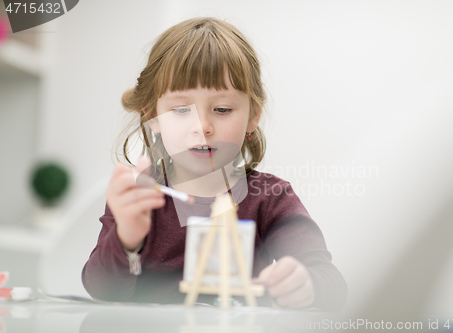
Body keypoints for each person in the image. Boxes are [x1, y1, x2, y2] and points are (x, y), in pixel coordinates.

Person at [82, 17, 347, 311]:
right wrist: (126, 240)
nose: (202, 126)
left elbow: (331, 284)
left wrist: (306, 285)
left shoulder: (270, 198)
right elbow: (101, 289)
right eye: (181, 109)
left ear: (252, 116)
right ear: (151, 116)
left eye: (222, 109)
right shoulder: (142, 196)